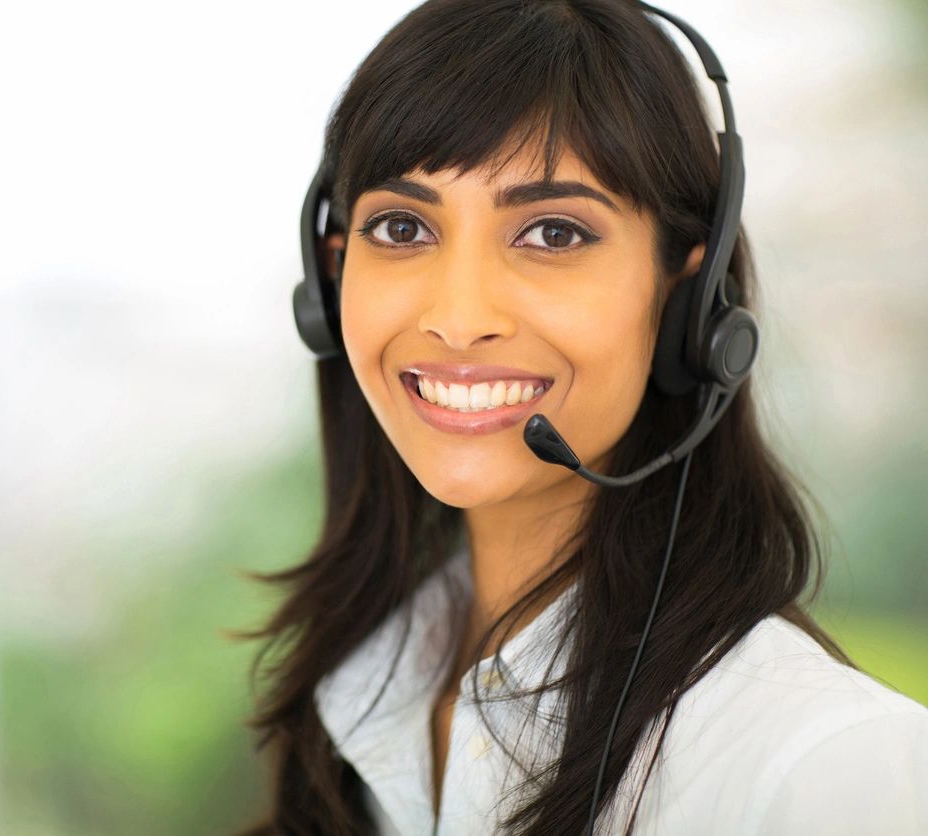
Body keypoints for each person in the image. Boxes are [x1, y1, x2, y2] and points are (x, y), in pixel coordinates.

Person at [231, 1, 928, 834]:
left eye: (553, 233)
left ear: (687, 303)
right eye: (403, 226)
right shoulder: (356, 699)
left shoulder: (826, 764)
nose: (458, 317)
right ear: (332, 280)